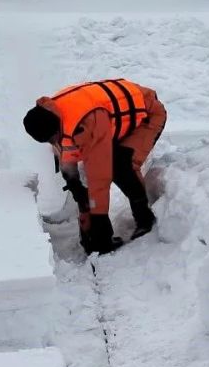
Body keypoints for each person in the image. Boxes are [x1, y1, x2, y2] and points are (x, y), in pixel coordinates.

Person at [24, 79, 167, 254]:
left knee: (120, 165)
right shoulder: (50, 116)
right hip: (110, 121)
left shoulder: (86, 124)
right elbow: (65, 152)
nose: (53, 143)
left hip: (147, 115)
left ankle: (144, 218)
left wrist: (100, 227)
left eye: (52, 138)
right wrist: (75, 185)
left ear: (55, 129)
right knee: (105, 171)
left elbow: (99, 179)